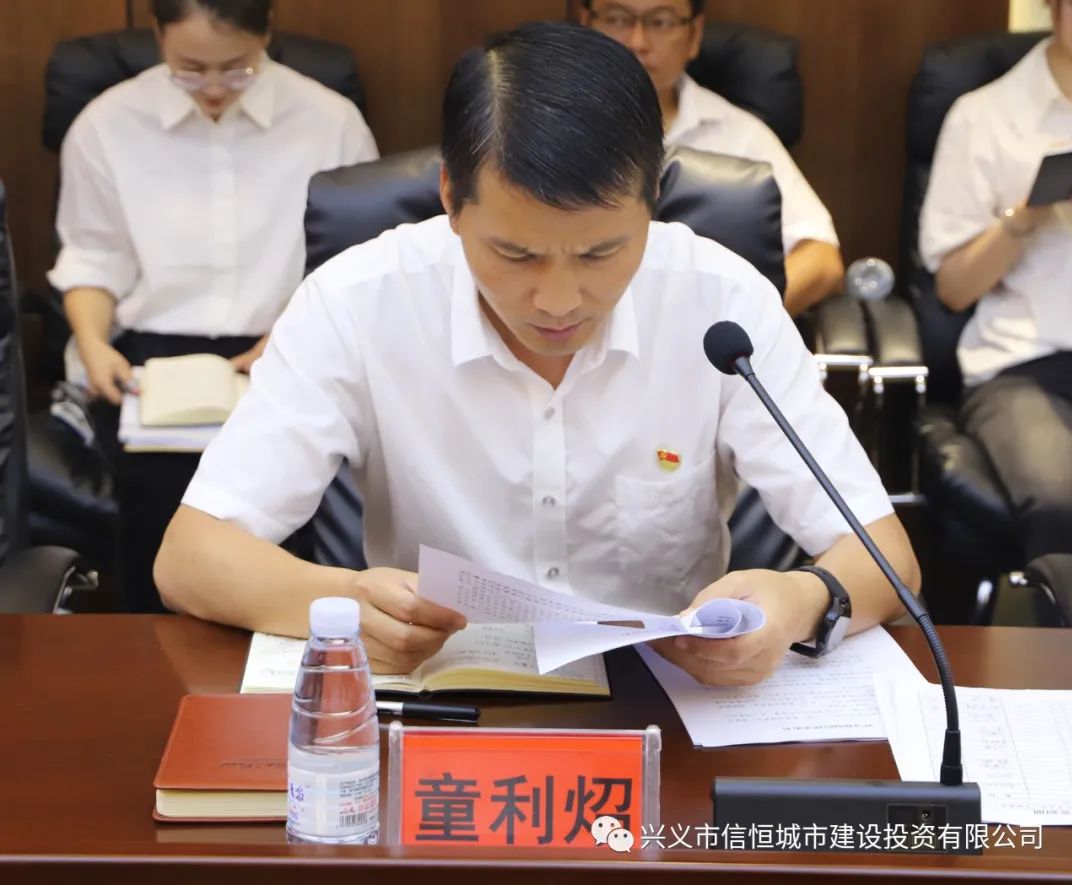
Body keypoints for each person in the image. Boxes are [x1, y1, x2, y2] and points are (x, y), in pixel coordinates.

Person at [156, 22, 916, 687]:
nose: (558, 300)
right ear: (451, 198)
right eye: (516, 254)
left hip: (666, 703)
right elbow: (190, 557)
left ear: (653, 198)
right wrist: (341, 601)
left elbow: (886, 559)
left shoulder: (723, 304)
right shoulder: (357, 301)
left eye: (600, 253)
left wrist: (801, 599)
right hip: (445, 704)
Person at [48, 0, 379, 612]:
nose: (215, 88)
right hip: (149, 359)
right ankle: (155, 652)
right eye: (190, 69)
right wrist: (92, 344)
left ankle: (283, 653)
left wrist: (287, 338)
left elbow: (350, 263)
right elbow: (93, 260)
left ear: (267, 32)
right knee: (160, 501)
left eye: (237, 68)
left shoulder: (330, 121)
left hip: (287, 346)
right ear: (157, 35)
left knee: (288, 496)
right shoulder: (107, 124)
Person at [919, 0, 1072, 622]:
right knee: (1065, 501)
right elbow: (954, 289)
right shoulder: (986, 116)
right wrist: (1026, 214)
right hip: (1024, 368)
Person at [580, 0, 844, 318]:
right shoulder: (543, 124)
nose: (637, 42)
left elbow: (821, 260)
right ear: (586, 23)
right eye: (616, 18)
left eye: (660, 22)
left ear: (694, 35)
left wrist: (737, 323)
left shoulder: (740, 135)